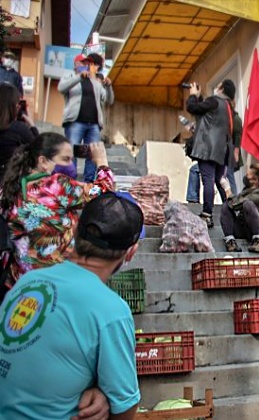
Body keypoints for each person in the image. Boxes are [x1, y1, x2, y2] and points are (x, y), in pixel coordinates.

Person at [0, 192, 143, 419]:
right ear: (131, 252)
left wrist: (98, 391)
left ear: (74, 230)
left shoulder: (25, 283)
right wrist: (106, 397)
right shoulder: (111, 311)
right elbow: (125, 408)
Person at [0, 133, 114, 293]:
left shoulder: (8, 190)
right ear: (43, 162)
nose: (71, 165)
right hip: (53, 286)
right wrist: (101, 161)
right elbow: (104, 190)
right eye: (66, 159)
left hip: (17, 285)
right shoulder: (57, 185)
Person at [186, 80, 235, 228]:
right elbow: (207, 114)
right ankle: (231, 211)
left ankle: (207, 214)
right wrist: (200, 97)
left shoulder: (215, 101)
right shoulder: (228, 107)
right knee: (220, 181)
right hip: (221, 150)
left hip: (208, 148)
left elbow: (193, 108)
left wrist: (193, 96)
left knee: (207, 180)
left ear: (221, 88)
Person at [58, 53, 114, 182]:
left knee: (93, 154)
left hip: (94, 124)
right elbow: (61, 88)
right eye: (83, 63)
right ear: (76, 64)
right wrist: (79, 78)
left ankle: (88, 183)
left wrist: (109, 86)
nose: (86, 66)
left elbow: (109, 100)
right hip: (75, 122)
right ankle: (70, 181)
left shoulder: (95, 81)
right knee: (71, 151)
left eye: (88, 63)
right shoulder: (70, 75)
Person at [220, 163, 259, 253]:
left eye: (248, 175)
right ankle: (230, 242)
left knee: (248, 204)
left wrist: (227, 190)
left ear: (255, 180)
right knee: (225, 206)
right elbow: (231, 204)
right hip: (244, 227)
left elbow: (235, 204)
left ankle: (258, 241)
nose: (246, 177)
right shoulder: (246, 190)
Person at [0, 83, 38, 180]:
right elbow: (38, 149)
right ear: (15, 107)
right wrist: (32, 126)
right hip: (6, 186)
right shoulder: (18, 129)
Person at [222, 79, 243, 195]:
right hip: (224, 152)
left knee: (228, 175)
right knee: (226, 176)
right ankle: (232, 198)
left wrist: (235, 153)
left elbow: (237, 136)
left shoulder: (235, 118)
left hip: (229, 153)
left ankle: (234, 198)